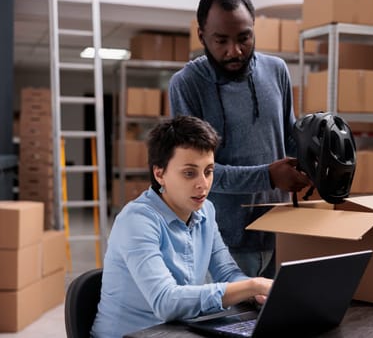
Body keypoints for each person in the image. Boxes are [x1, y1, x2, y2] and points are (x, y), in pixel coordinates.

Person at [169, 0, 310, 278]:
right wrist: (268, 176)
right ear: (202, 36)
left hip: (280, 232)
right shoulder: (187, 84)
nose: (234, 51)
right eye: (221, 41)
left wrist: (317, 159)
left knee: (281, 322)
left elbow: (290, 140)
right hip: (219, 246)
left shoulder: (277, 70)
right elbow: (197, 173)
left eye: (244, 38)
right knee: (227, 324)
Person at [91, 116, 273, 338]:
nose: (203, 184)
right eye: (189, 173)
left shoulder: (206, 211)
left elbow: (226, 272)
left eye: (208, 171)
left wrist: (256, 293)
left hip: (176, 331)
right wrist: (253, 286)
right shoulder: (137, 220)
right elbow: (166, 301)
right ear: (160, 174)